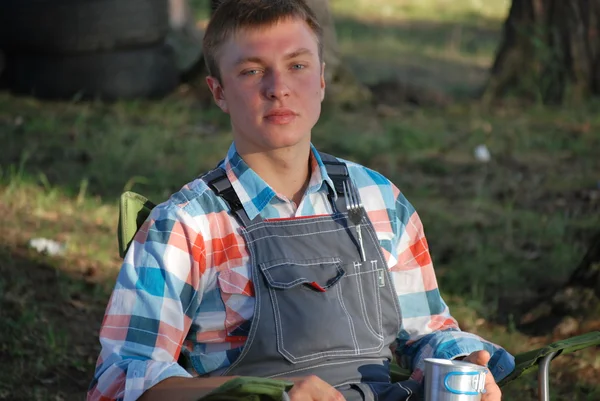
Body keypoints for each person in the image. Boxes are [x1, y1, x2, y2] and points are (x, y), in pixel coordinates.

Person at [87, 0, 515, 400]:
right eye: (253, 71)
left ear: (323, 79)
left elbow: (425, 331)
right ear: (217, 92)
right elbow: (122, 378)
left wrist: (464, 363)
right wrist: (263, 392)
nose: (279, 88)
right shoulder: (186, 225)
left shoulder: (378, 198)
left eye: (297, 65)